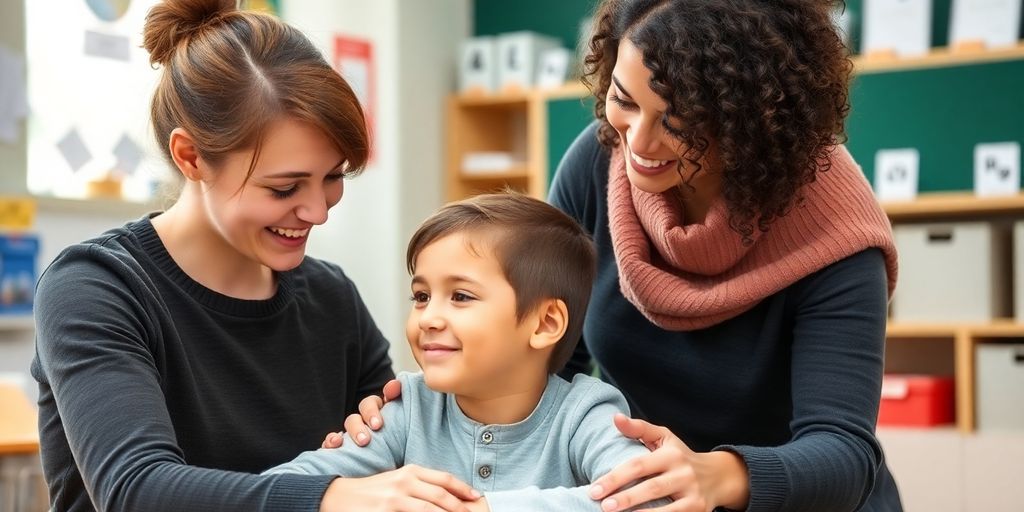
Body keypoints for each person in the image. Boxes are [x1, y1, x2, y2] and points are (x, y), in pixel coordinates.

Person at [344, 1, 904, 511]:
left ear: (752, 121)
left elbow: (844, 454)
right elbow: (541, 353)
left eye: (679, 123)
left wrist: (715, 474)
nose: (637, 143)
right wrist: (430, 413)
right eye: (624, 100)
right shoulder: (597, 162)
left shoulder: (835, 231)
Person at [30, 0, 479, 511]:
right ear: (191, 156)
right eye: (285, 188)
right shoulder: (96, 287)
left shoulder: (332, 299)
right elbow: (137, 490)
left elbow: (412, 448)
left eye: (332, 177)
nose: (317, 211)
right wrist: (331, 497)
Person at [265, 193, 671, 512]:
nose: (428, 318)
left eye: (460, 296)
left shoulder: (585, 415)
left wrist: (485, 507)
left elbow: (649, 499)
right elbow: (281, 488)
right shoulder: (409, 409)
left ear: (545, 323)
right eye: (421, 296)